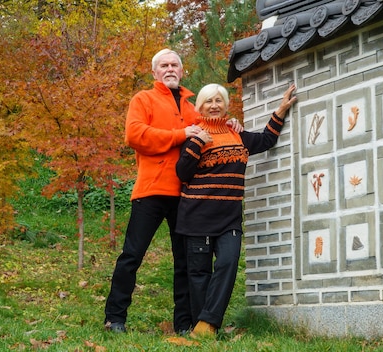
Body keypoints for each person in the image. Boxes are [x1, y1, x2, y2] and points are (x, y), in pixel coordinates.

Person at [104, 49, 242, 334]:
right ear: (155, 72)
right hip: (151, 190)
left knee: (184, 262)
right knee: (132, 255)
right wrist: (181, 135)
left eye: (174, 65)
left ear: (182, 71)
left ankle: (184, 324)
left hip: (185, 197)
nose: (169, 69)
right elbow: (135, 135)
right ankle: (115, 318)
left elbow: (212, 126)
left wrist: (230, 125)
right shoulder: (143, 99)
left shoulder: (193, 108)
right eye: (163, 65)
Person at [175, 83, 297, 338]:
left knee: (228, 264)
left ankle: (207, 322)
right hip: (197, 216)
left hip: (229, 218)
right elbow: (182, 173)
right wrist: (198, 142)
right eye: (208, 101)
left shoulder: (237, 135)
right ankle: (204, 328)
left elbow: (266, 140)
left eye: (219, 100)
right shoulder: (193, 135)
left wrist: (281, 110)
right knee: (199, 275)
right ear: (200, 107)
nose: (214, 105)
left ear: (226, 105)